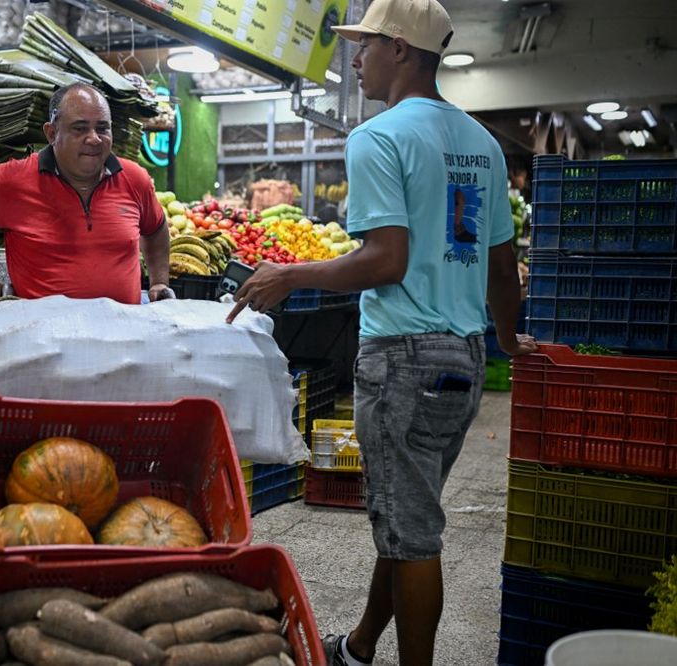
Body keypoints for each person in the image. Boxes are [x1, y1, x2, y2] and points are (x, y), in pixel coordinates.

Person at [227, 0, 537, 663]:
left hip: (404, 361)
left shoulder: (378, 136)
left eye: (364, 45)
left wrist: (291, 274)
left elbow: (385, 260)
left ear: (400, 48)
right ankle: (361, 647)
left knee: (413, 534)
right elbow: (503, 267)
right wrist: (509, 340)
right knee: (405, 515)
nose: (356, 59)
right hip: (463, 359)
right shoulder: (482, 143)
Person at [0, 82, 171, 305]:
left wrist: (159, 281)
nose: (94, 138)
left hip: (122, 336)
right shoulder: (11, 180)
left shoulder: (134, 179)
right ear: (51, 134)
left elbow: (156, 227)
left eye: (102, 128)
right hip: (42, 338)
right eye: (80, 128)